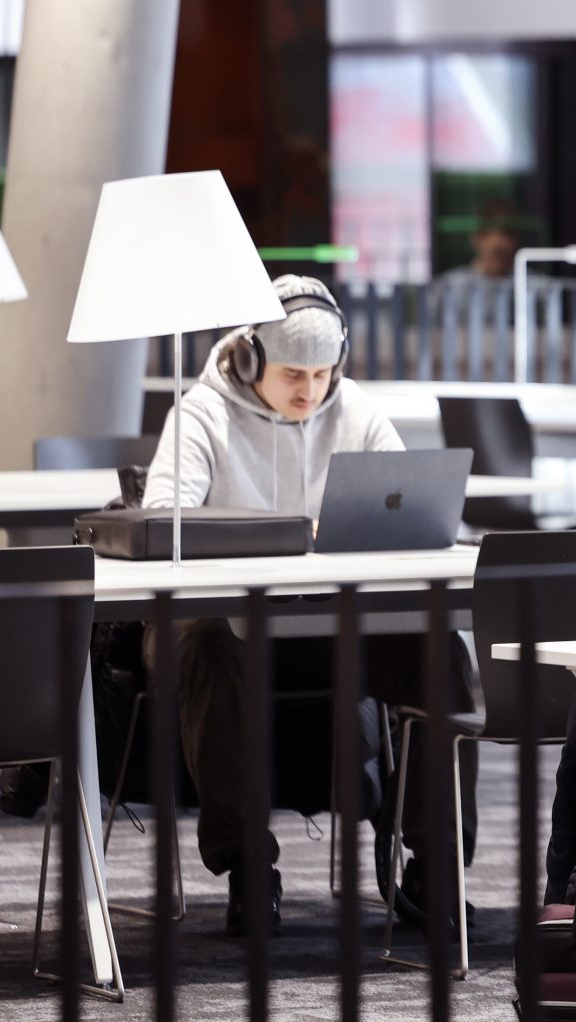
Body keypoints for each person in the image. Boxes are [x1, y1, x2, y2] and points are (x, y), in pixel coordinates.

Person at [142, 275, 464, 935]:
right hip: (218, 625)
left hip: (326, 622)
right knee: (208, 637)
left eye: (323, 373)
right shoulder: (200, 414)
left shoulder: (356, 411)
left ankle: (438, 865)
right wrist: (283, 536)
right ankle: (248, 866)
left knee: (437, 649)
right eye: (293, 373)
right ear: (253, 357)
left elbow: (406, 507)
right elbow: (160, 522)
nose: (310, 390)